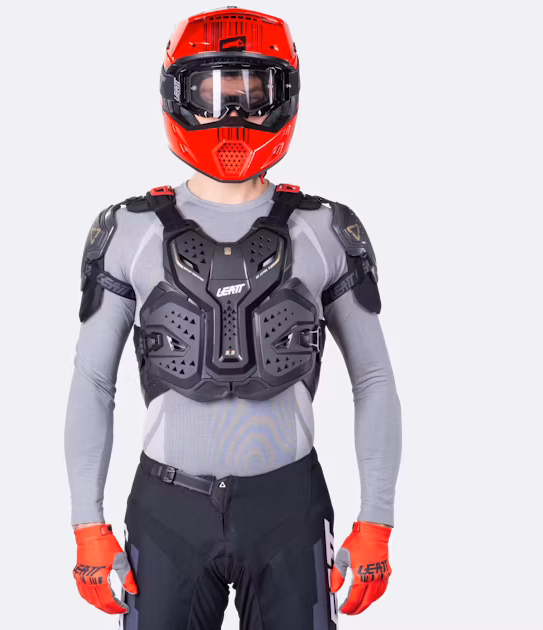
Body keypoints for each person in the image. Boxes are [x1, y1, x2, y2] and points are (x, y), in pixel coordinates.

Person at [65, 7, 401, 630]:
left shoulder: (328, 228)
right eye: (212, 91)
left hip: (289, 508)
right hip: (166, 511)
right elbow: (92, 382)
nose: (232, 113)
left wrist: (376, 521)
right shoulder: (128, 230)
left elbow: (374, 380)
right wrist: (87, 525)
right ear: (178, 94)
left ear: (284, 94)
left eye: (252, 92)